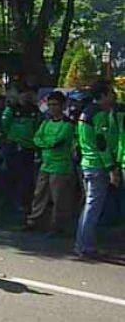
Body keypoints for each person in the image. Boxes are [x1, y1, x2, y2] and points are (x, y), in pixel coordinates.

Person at [74, 80, 120, 258]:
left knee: (89, 205)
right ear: (102, 95)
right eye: (110, 93)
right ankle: (84, 245)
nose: (114, 96)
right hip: (97, 165)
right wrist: (111, 168)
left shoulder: (85, 112)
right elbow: (101, 143)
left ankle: (83, 243)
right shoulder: (98, 114)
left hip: (86, 162)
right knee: (93, 206)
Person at [25, 91, 76, 235]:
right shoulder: (46, 122)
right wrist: (43, 143)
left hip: (61, 166)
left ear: (62, 106)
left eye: (55, 105)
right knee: (39, 194)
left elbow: (56, 141)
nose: (52, 108)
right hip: (45, 164)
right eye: (50, 105)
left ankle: (58, 226)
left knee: (59, 198)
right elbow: (36, 138)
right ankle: (34, 221)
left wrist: (43, 143)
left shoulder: (67, 125)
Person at [1, 86, 40, 215]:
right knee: (11, 176)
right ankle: (9, 204)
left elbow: (37, 127)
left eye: (27, 93)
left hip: (29, 149)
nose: (25, 96)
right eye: (22, 93)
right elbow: (5, 125)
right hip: (14, 147)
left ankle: (23, 203)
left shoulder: (34, 110)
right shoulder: (11, 109)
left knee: (26, 178)